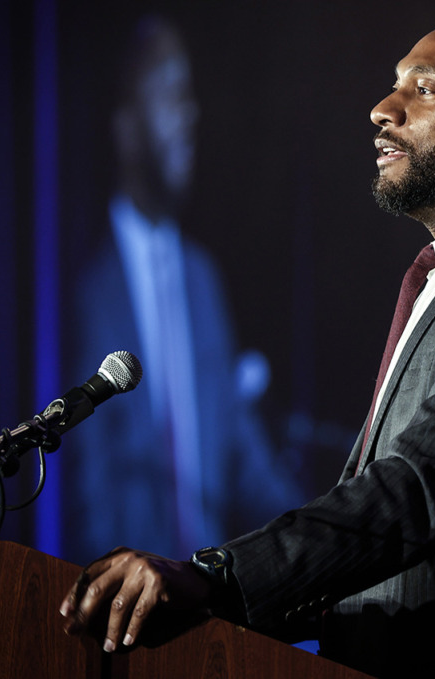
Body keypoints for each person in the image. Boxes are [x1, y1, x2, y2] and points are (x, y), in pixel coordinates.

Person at [60, 21, 435, 678]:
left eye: (425, 89)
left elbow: (414, 495)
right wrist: (214, 605)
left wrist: (212, 579)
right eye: (394, 85)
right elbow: (384, 542)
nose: (383, 109)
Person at [63, 16, 301, 564]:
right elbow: (83, 484)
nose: (190, 115)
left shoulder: (202, 278)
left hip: (203, 607)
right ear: (125, 125)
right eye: (171, 94)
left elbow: (242, 458)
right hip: (123, 616)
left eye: (190, 96)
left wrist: (324, 532)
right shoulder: (83, 287)